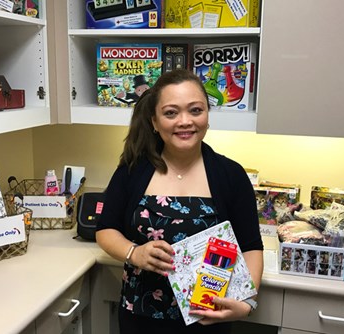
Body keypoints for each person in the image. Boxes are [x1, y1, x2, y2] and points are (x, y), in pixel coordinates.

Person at [96, 69, 263, 334]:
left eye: (195, 110)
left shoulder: (231, 175)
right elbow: (105, 229)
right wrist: (134, 253)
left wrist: (247, 303)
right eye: (171, 113)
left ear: (208, 116)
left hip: (208, 319)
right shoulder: (132, 170)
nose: (185, 121)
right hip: (141, 318)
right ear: (154, 121)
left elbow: (251, 246)